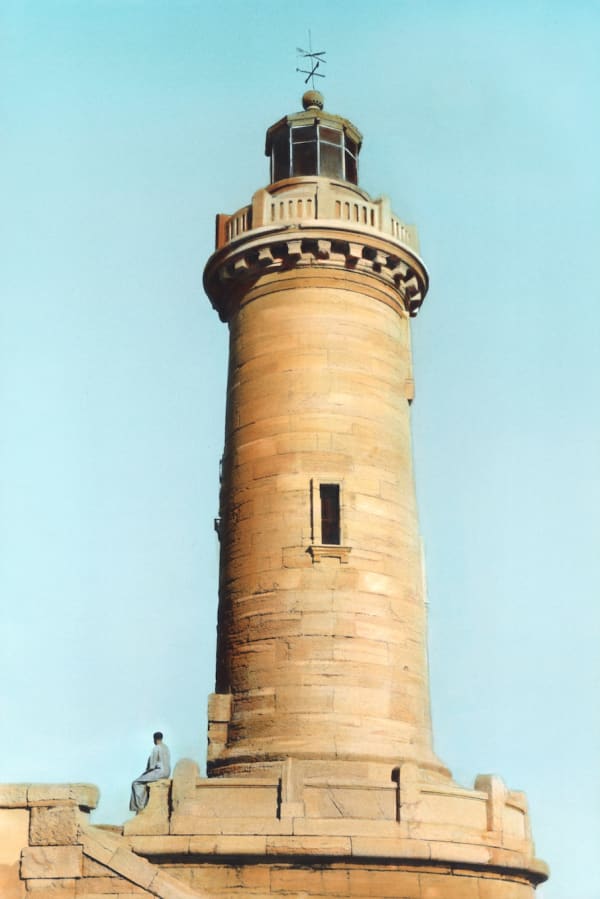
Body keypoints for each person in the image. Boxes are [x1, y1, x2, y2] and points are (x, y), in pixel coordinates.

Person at [129, 731, 171, 813]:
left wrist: (144, 774)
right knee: (144, 781)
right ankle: (143, 803)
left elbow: (152, 766)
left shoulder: (156, 748)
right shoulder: (166, 748)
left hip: (159, 772)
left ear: (154, 739)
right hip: (167, 772)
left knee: (136, 782)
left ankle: (140, 806)